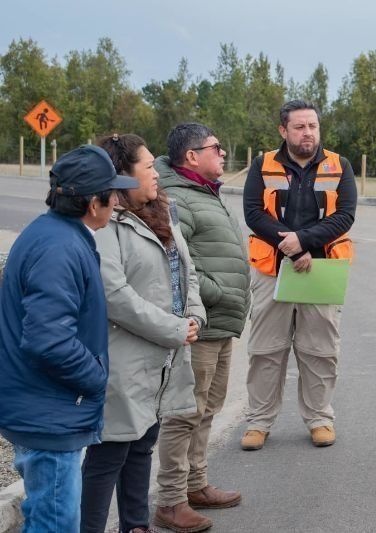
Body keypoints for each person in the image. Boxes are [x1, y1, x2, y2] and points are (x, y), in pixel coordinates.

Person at [0, 145, 138, 532]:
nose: (118, 200)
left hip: (46, 408)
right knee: (55, 523)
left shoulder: (57, 234)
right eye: (113, 193)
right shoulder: (59, 248)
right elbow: (48, 340)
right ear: (94, 203)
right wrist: (96, 377)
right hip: (50, 416)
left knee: (49, 516)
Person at [79, 134, 206, 533]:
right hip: (125, 357)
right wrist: (174, 329)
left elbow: (187, 273)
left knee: (141, 448)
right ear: (122, 176)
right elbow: (115, 294)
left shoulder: (163, 214)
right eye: (148, 166)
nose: (157, 173)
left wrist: (195, 316)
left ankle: (135, 525)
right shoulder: (106, 225)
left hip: (162, 358)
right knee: (109, 455)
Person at [240, 99, 356, 451]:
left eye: (313, 126)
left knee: (320, 350)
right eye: (300, 127)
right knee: (265, 350)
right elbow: (253, 213)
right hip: (272, 270)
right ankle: (258, 423)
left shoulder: (340, 165)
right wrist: (289, 246)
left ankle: (320, 419)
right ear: (283, 130)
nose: (308, 133)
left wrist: (304, 242)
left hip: (321, 270)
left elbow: (345, 216)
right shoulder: (263, 164)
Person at [153, 123, 250, 532]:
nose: (224, 154)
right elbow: (176, 261)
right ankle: (171, 500)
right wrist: (220, 294)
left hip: (219, 324)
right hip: (202, 322)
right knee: (184, 413)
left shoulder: (201, 192)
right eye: (217, 147)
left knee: (207, 409)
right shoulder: (177, 198)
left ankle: (196, 484)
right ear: (192, 156)